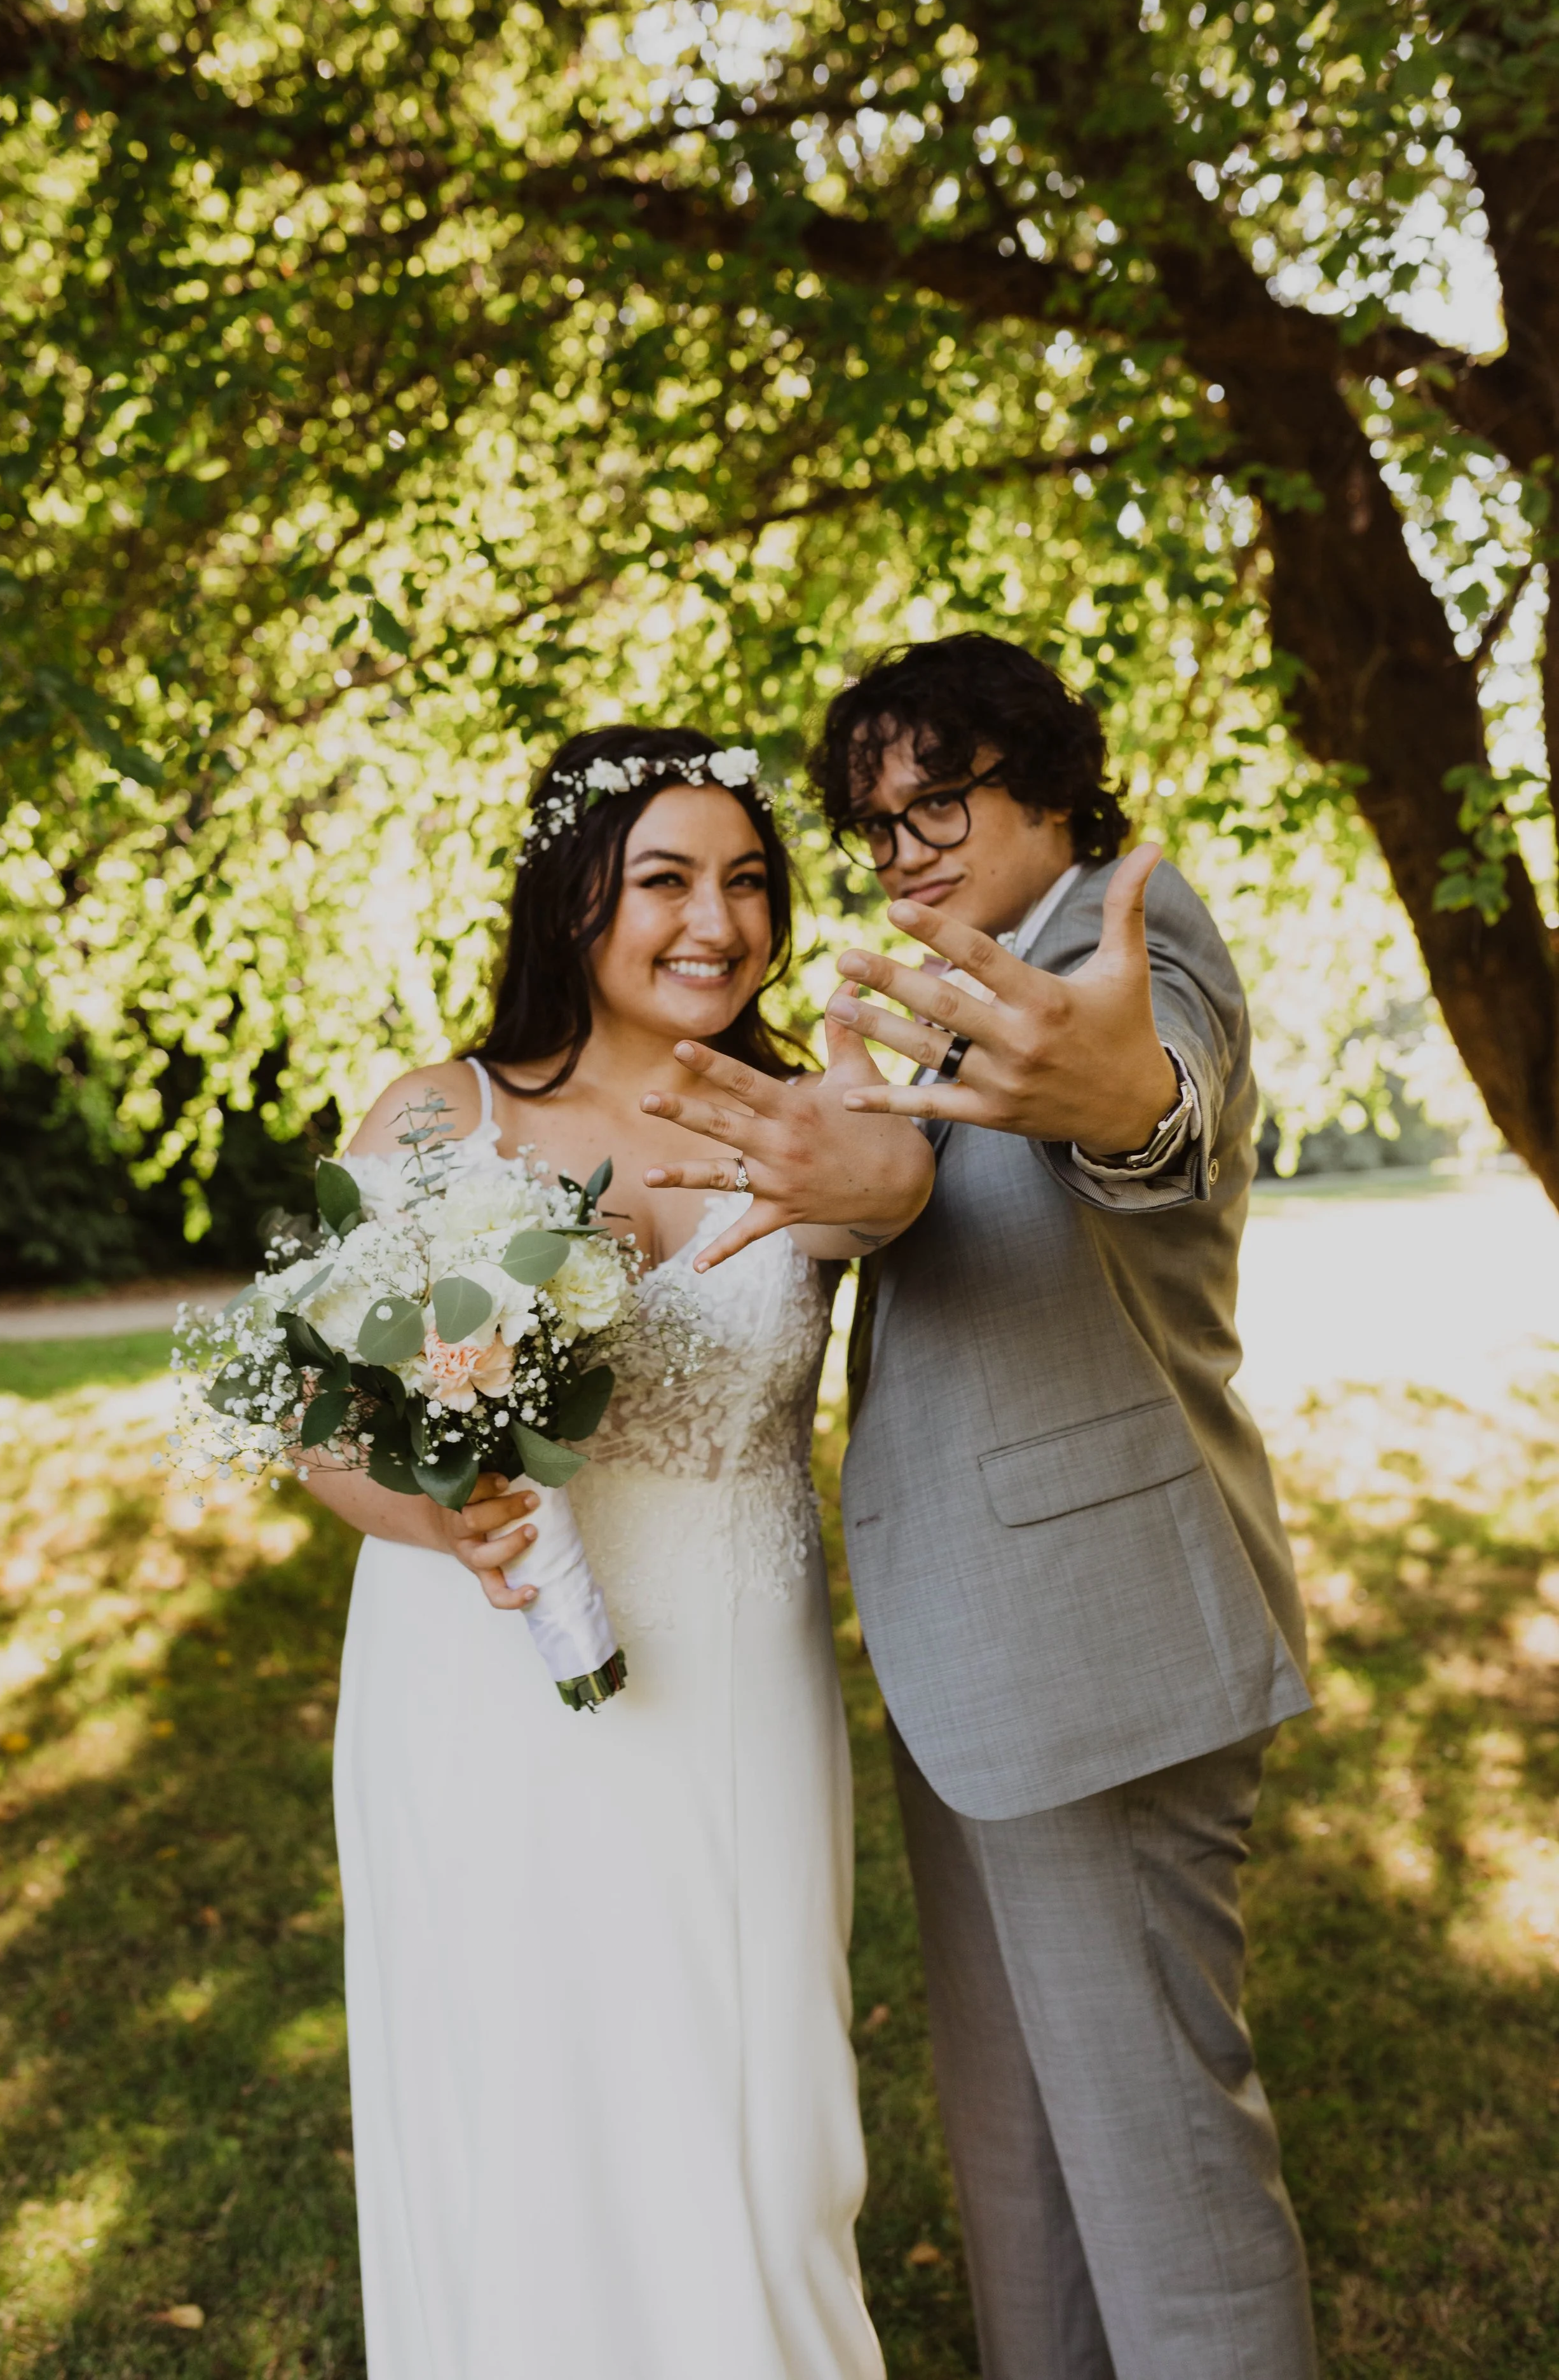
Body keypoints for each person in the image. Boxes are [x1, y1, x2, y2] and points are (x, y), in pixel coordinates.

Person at [642, 635, 1319, 2380]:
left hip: (1107, 1668)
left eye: (935, 797)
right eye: (873, 823)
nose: (900, 844)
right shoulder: (952, 986)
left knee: (1162, 2176)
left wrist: (1130, 1101)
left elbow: (1158, 1110)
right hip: (978, 1674)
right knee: (1017, 2158)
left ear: (1043, 778)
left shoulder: (1119, 937)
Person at [301, 726, 929, 2380]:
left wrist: (878, 1145)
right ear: (574, 897)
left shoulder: (810, 1113)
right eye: (663, 879)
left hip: (733, 1667)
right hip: (475, 1665)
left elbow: (904, 1192)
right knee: (515, 2065)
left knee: (757, 2100)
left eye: (746, 882)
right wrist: (430, 1507)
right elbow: (320, 1418)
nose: (712, 919)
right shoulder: (446, 1111)